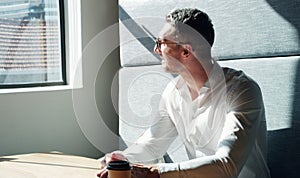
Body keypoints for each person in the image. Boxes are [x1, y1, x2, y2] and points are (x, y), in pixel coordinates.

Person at [97, 8, 270, 178]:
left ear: (186, 51)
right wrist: (124, 158)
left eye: (161, 43)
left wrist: (156, 172)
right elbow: (152, 144)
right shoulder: (173, 92)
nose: (156, 50)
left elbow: (226, 166)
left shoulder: (242, 90)